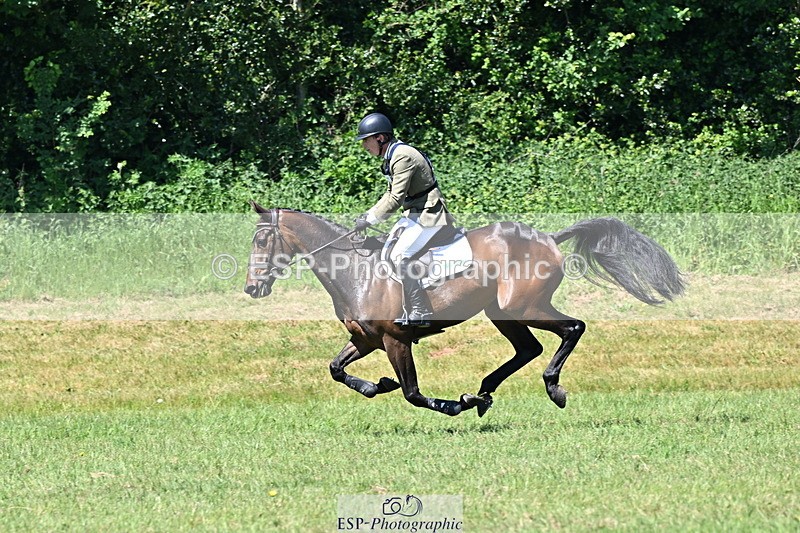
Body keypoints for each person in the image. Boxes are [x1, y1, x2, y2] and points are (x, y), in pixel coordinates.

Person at [353, 112, 455, 328]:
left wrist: (370, 219)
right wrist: (368, 214)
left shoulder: (402, 156)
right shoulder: (393, 154)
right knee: (388, 248)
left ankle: (421, 310)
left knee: (400, 255)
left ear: (380, 138)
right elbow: (390, 193)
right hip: (414, 212)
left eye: (366, 140)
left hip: (429, 213)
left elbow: (395, 198)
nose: (364, 146)